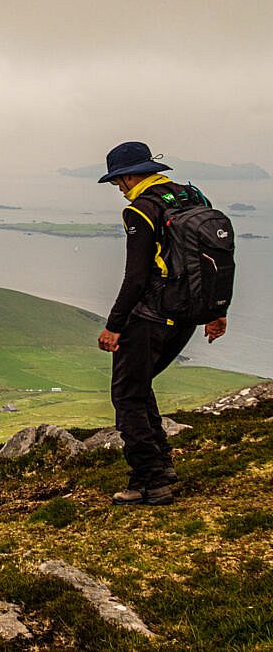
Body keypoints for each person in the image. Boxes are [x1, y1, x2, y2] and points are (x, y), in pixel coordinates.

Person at [97, 141, 227, 506]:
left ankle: (150, 482)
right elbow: (214, 260)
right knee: (139, 387)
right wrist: (217, 310)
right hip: (186, 316)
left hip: (151, 317)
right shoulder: (192, 197)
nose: (118, 188)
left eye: (118, 181)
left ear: (131, 175)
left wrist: (114, 325)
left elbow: (136, 277)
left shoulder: (141, 211)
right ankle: (163, 468)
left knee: (126, 395)